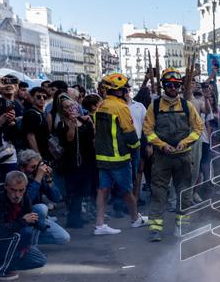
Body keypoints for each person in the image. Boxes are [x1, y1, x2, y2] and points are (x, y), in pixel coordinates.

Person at [144, 70, 204, 241]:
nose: (173, 88)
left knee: (184, 194)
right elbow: (148, 130)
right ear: (164, 85)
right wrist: (162, 145)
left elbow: (198, 128)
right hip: (162, 158)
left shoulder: (187, 106)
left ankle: (182, 228)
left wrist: (185, 142)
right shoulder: (154, 106)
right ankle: (155, 230)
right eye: (169, 85)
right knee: (158, 193)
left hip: (183, 158)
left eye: (176, 85)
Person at [93, 73, 147, 235]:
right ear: (117, 91)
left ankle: (100, 224)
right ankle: (135, 219)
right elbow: (130, 133)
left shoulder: (101, 105)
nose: (127, 92)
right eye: (125, 89)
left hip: (102, 157)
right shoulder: (121, 107)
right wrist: (137, 148)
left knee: (103, 190)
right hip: (119, 157)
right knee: (127, 190)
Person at [0, 170, 47, 281]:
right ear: (6, 187)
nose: (17, 195)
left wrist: (40, 224)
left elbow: (30, 219)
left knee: (40, 260)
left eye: (21, 190)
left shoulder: (25, 197)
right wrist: (24, 221)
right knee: (22, 233)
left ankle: (7, 259)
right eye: (13, 190)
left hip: (11, 236)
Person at [52, 93, 96, 229]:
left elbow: (92, 136)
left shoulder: (84, 120)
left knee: (84, 189)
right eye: (67, 107)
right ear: (62, 110)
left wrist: (90, 122)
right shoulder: (62, 125)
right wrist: (71, 125)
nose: (71, 108)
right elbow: (68, 140)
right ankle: (73, 218)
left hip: (87, 159)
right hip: (72, 162)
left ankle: (79, 215)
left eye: (72, 105)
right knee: (75, 190)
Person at [17, 150, 71, 245]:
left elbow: (57, 198)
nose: (37, 169)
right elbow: (27, 201)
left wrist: (49, 179)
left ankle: (29, 239)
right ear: (22, 168)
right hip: (22, 217)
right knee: (41, 208)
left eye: (37, 166)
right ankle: (31, 246)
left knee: (64, 238)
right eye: (33, 167)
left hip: (38, 218)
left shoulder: (38, 176)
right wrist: (38, 177)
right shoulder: (17, 178)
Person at [21, 86, 52, 160]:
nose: (42, 99)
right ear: (32, 98)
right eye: (38, 97)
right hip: (35, 155)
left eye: (44, 97)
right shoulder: (31, 114)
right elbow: (30, 136)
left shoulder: (43, 114)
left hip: (44, 152)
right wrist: (37, 156)